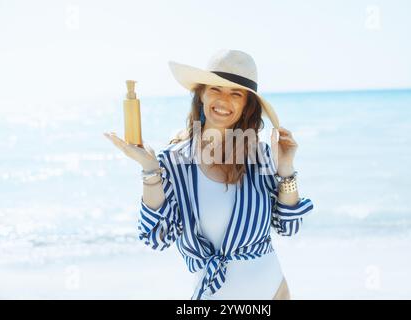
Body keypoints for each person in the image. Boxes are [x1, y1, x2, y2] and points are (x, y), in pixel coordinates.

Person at [104, 49, 314, 300]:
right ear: (201, 94)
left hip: (273, 293)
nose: (224, 100)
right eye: (216, 89)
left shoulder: (261, 156)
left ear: (246, 105)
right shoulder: (173, 161)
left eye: (236, 93)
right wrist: (150, 171)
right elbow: (156, 238)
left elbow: (289, 226)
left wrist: (287, 169)